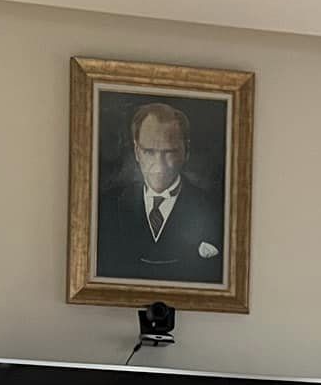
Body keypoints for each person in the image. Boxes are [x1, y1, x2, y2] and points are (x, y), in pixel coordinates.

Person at [95, 101, 226, 282]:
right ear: (136, 151)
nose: (159, 165)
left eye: (169, 152)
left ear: (186, 151)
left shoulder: (215, 210)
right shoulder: (106, 206)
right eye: (149, 152)